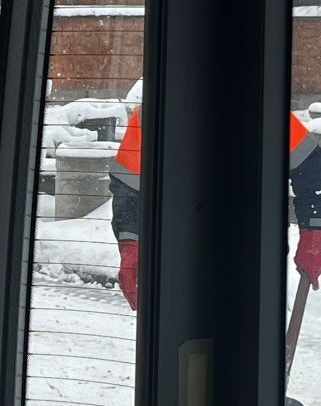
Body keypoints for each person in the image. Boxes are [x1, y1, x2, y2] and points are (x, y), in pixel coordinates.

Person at [110, 106, 321, 310]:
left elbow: (312, 171)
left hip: (250, 259)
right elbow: (128, 189)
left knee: (250, 335)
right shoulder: (153, 111)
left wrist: (313, 231)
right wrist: (131, 243)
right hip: (178, 261)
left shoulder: (264, 104)